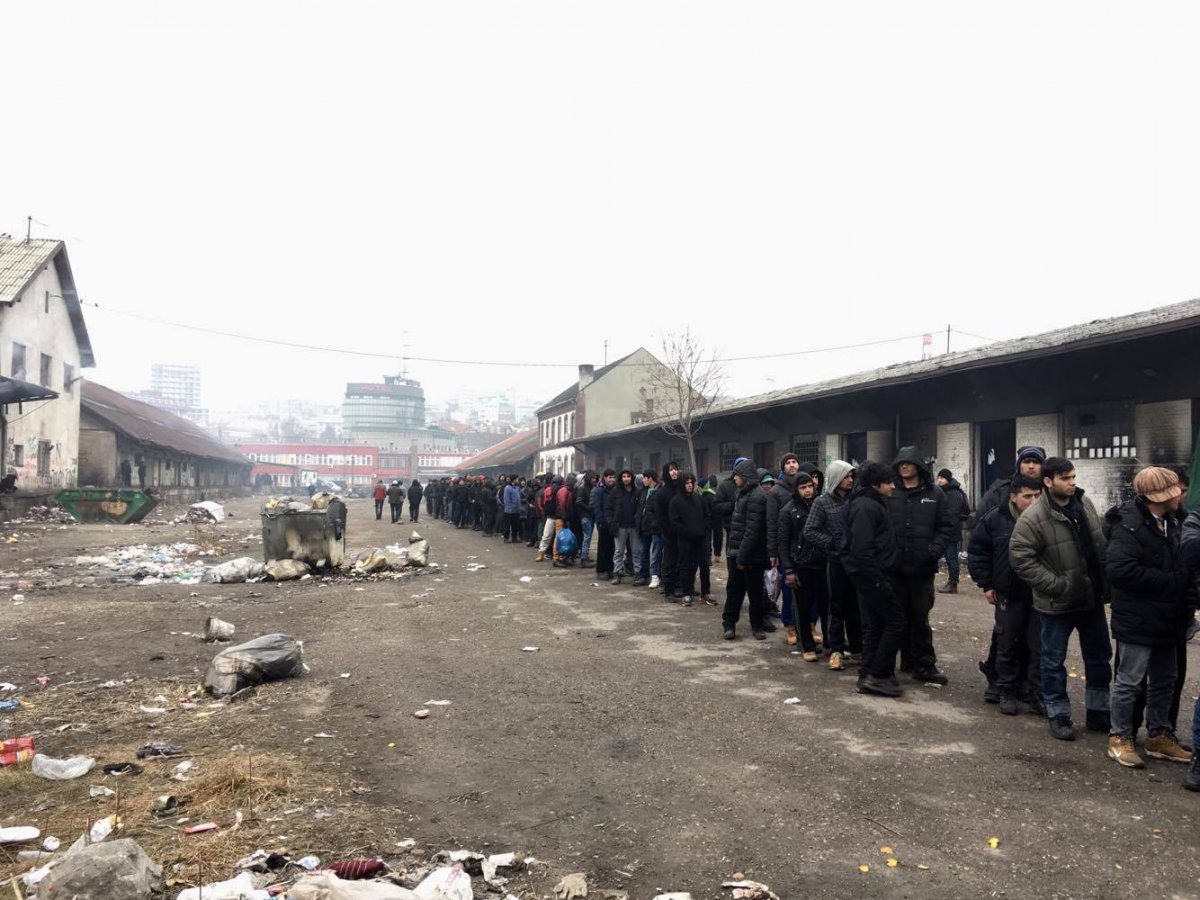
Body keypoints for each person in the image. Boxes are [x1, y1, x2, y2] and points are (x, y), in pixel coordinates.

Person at [1009, 457, 1111, 742]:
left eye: (1073, 477)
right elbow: (1020, 558)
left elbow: (1098, 544)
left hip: (1091, 599)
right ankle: (1059, 714)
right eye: (1066, 478)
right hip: (1057, 604)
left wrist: (1106, 582)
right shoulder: (1034, 517)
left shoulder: (1084, 504)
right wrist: (1056, 585)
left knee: (1100, 658)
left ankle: (1099, 713)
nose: (1072, 482)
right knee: (1053, 661)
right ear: (1048, 481)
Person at [1104, 467, 1191, 768]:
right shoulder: (1128, 525)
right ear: (1159, 496)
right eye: (1174, 490)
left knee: (1165, 680)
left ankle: (1159, 735)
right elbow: (1119, 570)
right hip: (1138, 619)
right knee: (1130, 681)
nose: (1181, 494)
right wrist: (1172, 582)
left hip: (1169, 618)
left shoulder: (1174, 521)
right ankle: (1120, 737)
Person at [968, 474, 1044, 716]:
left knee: (1038, 647)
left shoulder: (1048, 519)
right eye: (1028, 496)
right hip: (1008, 595)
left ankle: (1034, 692)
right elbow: (978, 551)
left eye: (1038, 496)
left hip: (1040, 596)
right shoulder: (995, 520)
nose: (1034, 501)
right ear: (1013, 497)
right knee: (1007, 644)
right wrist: (987, 584)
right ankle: (1006, 690)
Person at [887, 447, 956, 686]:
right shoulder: (890, 492)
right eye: (900, 463)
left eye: (908, 463)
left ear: (919, 466)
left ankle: (924, 665)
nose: (903, 467)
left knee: (920, 617)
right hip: (894, 569)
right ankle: (898, 664)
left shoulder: (935, 494)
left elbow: (947, 526)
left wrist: (933, 551)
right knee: (896, 618)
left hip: (922, 570)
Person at [842, 461, 904, 697]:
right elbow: (862, 550)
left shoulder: (872, 503)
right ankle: (877, 675)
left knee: (876, 625)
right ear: (876, 484)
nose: (893, 487)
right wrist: (878, 581)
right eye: (889, 483)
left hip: (872, 575)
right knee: (896, 623)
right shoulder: (866, 507)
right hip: (871, 577)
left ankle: (868, 673)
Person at [804, 460, 858, 671]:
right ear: (836, 478)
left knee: (856, 607)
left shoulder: (856, 500)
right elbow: (810, 531)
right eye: (846, 476)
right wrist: (831, 543)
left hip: (856, 561)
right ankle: (835, 649)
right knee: (836, 607)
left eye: (852, 476)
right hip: (835, 562)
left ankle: (857, 648)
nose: (850, 480)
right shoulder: (822, 502)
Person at [722, 458, 773, 640]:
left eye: (737, 475)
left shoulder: (757, 497)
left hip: (750, 556)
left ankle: (757, 626)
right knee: (734, 591)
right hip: (737, 552)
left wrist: (741, 558)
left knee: (755, 593)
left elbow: (752, 531)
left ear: (745, 476)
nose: (734, 478)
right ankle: (729, 624)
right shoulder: (742, 493)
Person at [779, 471, 821, 658]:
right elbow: (783, 542)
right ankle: (807, 646)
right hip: (800, 563)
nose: (807, 490)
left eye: (809, 486)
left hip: (821, 562)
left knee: (821, 604)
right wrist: (788, 569)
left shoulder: (820, 505)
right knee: (802, 607)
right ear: (796, 489)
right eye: (803, 487)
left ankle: (827, 642)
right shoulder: (788, 510)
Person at [669, 473, 709, 606]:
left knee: (704, 565)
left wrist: (703, 529)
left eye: (691, 482)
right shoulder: (675, 502)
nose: (690, 485)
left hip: (701, 538)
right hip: (685, 539)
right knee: (686, 566)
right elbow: (675, 522)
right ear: (682, 485)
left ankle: (705, 593)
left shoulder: (698, 498)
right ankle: (687, 593)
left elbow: (706, 515)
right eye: (687, 483)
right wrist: (687, 532)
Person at [936, 468, 971, 594]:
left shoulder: (954, 493)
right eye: (938, 477)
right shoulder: (944, 492)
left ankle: (953, 583)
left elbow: (952, 514)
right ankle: (951, 582)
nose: (939, 480)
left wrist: (944, 527)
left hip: (950, 531)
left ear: (948, 479)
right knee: (947, 557)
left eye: (942, 478)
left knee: (951, 558)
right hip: (944, 530)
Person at [608, 469, 643, 586]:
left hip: (634, 527)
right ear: (621, 478)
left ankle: (637, 573)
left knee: (636, 551)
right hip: (620, 527)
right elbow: (609, 509)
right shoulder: (615, 492)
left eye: (628, 476)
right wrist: (611, 522)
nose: (626, 478)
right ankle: (617, 573)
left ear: (632, 478)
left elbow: (640, 509)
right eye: (624, 476)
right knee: (619, 551)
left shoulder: (637, 492)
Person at [654, 462, 682, 598]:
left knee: (682, 560)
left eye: (676, 469)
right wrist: (668, 531)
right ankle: (668, 587)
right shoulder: (661, 494)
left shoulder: (681, 490)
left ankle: (680, 585)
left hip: (683, 532)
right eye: (671, 470)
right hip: (669, 533)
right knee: (670, 560)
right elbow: (660, 516)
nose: (674, 472)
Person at [636, 470, 658, 587]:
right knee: (644, 551)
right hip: (644, 526)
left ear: (650, 478)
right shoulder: (642, 491)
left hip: (655, 527)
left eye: (645, 478)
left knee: (656, 553)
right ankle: (644, 575)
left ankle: (656, 575)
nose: (643, 480)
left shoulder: (658, 490)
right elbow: (639, 509)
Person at [594, 470, 617, 578]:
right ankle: (601, 570)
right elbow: (597, 508)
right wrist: (600, 522)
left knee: (612, 547)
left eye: (613, 477)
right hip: (603, 523)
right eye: (610, 477)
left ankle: (610, 569)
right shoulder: (599, 491)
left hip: (613, 523)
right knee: (603, 547)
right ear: (605, 478)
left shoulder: (616, 490)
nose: (612, 479)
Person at [502, 475, 522, 542]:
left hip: (516, 510)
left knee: (515, 525)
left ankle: (514, 537)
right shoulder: (507, 488)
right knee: (507, 525)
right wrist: (509, 508)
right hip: (509, 511)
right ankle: (506, 538)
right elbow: (506, 499)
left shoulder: (517, 488)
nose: (518, 480)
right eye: (517, 479)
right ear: (513, 479)